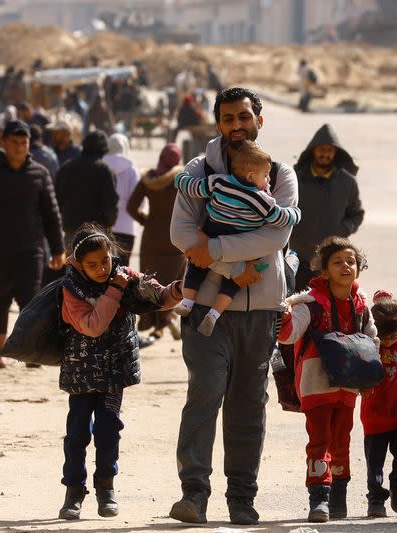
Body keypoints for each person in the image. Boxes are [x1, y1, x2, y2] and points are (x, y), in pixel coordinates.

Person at [168, 87, 298, 526]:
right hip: (205, 307)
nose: (237, 125)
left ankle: (241, 498)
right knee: (204, 395)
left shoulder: (278, 174)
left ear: (260, 120)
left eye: (245, 116)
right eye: (228, 118)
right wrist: (217, 254)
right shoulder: (197, 172)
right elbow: (182, 235)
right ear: (218, 123)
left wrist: (218, 248)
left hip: (261, 309)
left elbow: (276, 237)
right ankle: (194, 496)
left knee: (248, 406)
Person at [57, 224, 182, 520]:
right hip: (81, 375)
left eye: (105, 261)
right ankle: (73, 492)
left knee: (108, 429)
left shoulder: (125, 276)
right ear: (78, 263)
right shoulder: (71, 290)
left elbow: (157, 296)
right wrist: (115, 288)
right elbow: (92, 324)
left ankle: (105, 488)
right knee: (77, 435)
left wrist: (177, 290)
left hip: (114, 374)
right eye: (92, 264)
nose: (101, 268)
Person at [277, 236, 378, 523]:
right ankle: (318, 498)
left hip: (348, 386)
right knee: (319, 440)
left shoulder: (361, 305)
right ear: (323, 271)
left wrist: (372, 375)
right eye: (337, 262)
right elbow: (288, 334)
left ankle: (338, 499)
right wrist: (284, 310)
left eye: (351, 261)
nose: (346, 266)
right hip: (316, 384)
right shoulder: (311, 303)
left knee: (341, 441)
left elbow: (372, 341)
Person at [0, 120, 65, 369]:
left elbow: (51, 214)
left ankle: (29, 352)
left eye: (24, 142)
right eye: (14, 142)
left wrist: (57, 248)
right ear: (4, 143)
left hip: (31, 248)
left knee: (31, 300)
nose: (20, 147)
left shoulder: (39, 173)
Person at [173, 140, 301, 336]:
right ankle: (214, 314)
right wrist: (295, 213)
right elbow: (279, 217)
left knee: (196, 266)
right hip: (238, 241)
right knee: (233, 283)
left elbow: (194, 187)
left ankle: (187, 301)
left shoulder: (218, 181)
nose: (268, 180)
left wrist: (179, 179)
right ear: (251, 176)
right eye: (265, 176)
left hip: (212, 230)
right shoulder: (260, 199)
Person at [360, 290, 397, 519]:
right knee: (375, 461)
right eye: (384, 338)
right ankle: (375, 499)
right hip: (375, 413)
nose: (389, 341)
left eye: (393, 336)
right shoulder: (369, 344)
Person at [291, 124, 364, 292]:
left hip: (333, 262)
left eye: (330, 150)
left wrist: (342, 229)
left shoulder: (347, 182)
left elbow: (356, 214)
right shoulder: (295, 179)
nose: (325, 153)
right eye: (321, 149)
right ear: (313, 151)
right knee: (297, 309)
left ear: (336, 153)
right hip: (299, 260)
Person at [127, 143, 185, 340]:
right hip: (176, 238)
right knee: (171, 280)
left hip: (152, 237)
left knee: (151, 281)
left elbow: (131, 207)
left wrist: (147, 221)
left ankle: (156, 324)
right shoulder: (182, 179)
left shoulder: (149, 179)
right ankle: (166, 318)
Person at [55, 131, 119, 251]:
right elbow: (110, 204)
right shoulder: (104, 170)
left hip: (72, 234)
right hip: (97, 234)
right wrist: (110, 223)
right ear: (104, 150)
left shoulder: (66, 167)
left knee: (73, 268)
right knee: (100, 269)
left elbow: (57, 200)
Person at [102, 134, 140, 265]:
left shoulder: (101, 166)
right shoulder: (131, 169)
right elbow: (137, 198)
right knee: (123, 268)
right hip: (127, 224)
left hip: (104, 223)